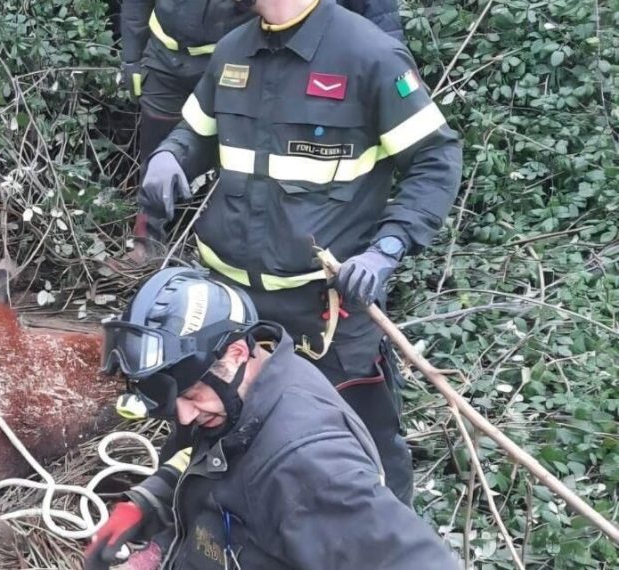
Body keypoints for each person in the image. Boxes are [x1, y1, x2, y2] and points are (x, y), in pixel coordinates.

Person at [137, 0, 464, 506]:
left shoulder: (368, 55)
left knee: (360, 447)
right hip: (231, 308)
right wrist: (170, 155)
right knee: (204, 434)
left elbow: (436, 159)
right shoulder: (232, 51)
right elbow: (195, 132)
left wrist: (388, 248)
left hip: (324, 314)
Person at [88, 267, 460, 570]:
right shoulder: (240, 394)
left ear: (235, 353)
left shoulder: (308, 464)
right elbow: (206, 465)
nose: (184, 415)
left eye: (189, 397)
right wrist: (149, 506)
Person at [115, 0, 404, 266]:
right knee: (164, 154)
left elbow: (377, 15)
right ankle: (147, 245)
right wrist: (131, 55)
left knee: (251, 163)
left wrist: (387, 75)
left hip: (249, 59)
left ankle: (228, 249)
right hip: (168, 57)